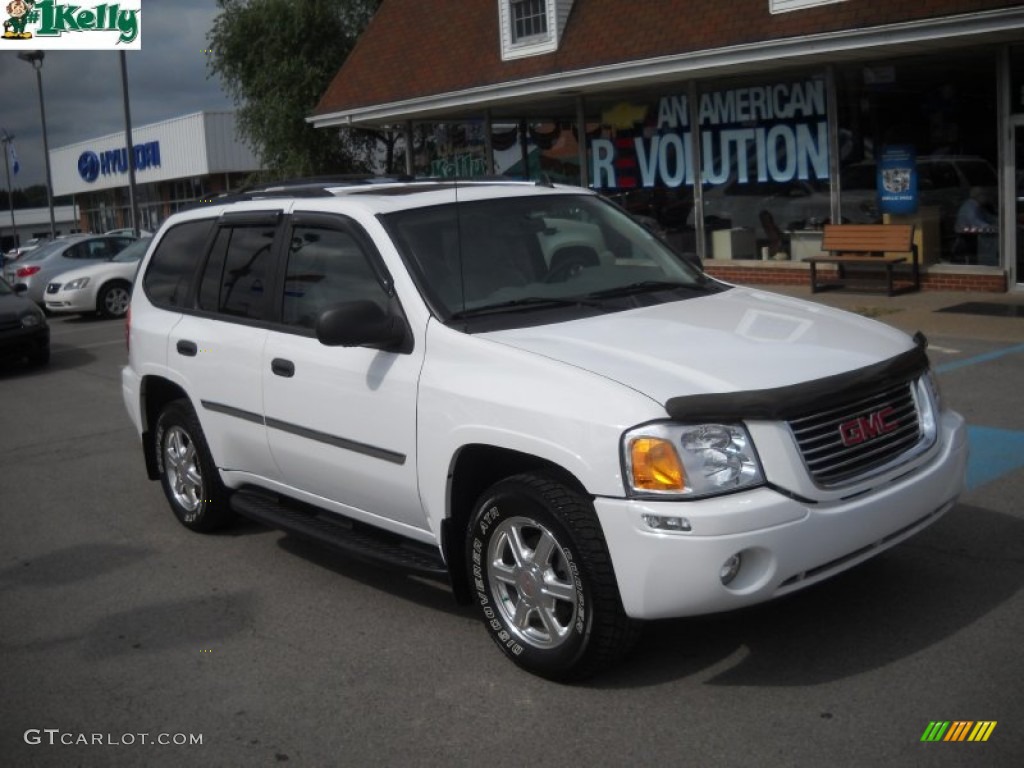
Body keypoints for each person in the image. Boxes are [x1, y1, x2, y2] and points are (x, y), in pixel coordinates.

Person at [953, 187, 998, 264]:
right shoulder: (970, 207)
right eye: (986, 195)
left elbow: (988, 217)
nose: (987, 198)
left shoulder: (979, 206)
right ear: (979, 196)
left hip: (974, 235)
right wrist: (992, 227)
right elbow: (976, 222)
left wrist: (999, 221)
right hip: (967, 238)